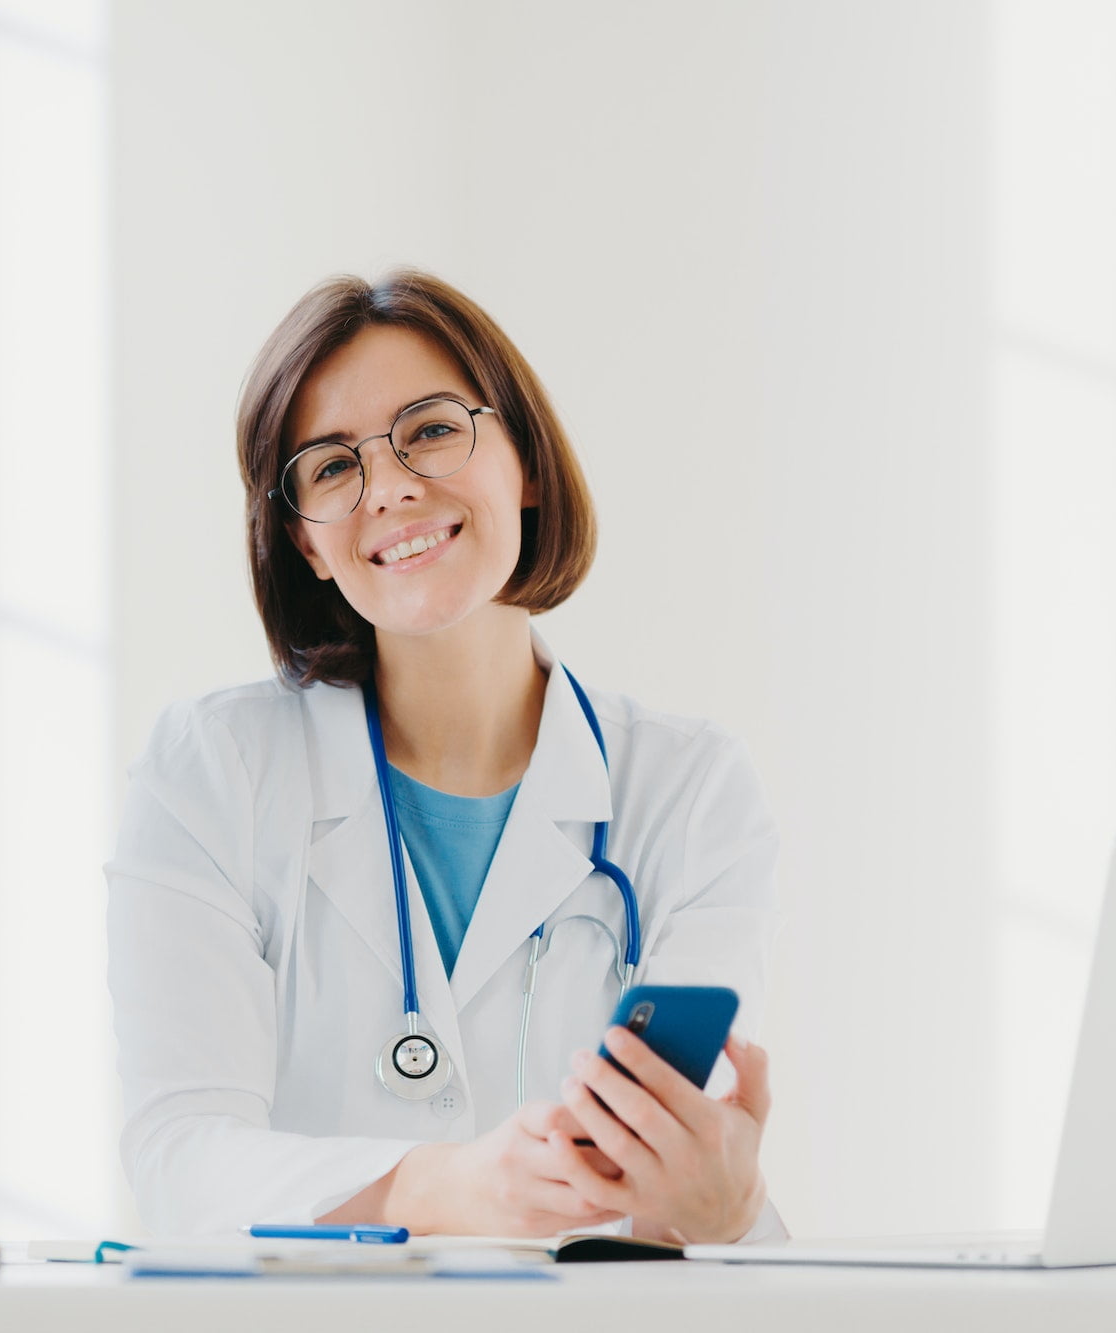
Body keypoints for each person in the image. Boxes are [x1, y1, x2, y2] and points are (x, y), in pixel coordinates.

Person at [105, 269, 782, 1244]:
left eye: (428, 429)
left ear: (527, 463)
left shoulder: (687, 791)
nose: (388, 487)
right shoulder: (210, 772)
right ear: (304, 542)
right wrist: (427, 1189)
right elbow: (178, 1160)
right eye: (331, 466)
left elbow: (688, 1170)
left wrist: (726, 1206)